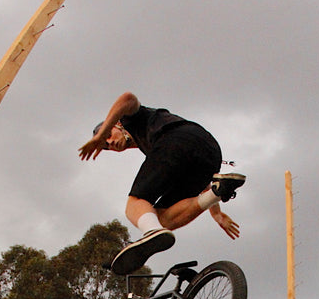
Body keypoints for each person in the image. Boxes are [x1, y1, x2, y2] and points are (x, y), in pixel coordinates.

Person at [78, 91, 245, 275]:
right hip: (210, 153)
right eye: (106, 146)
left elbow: (128, 98)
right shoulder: (148, 145)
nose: (109, 142)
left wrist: (100, 135)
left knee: (135, 203)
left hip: (176, 138)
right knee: (161, 219)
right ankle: (213, 196)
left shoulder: (131, 120)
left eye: (110, 136)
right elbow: (204, 183)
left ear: (117, 124)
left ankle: (150, 232)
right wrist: (217, 214)